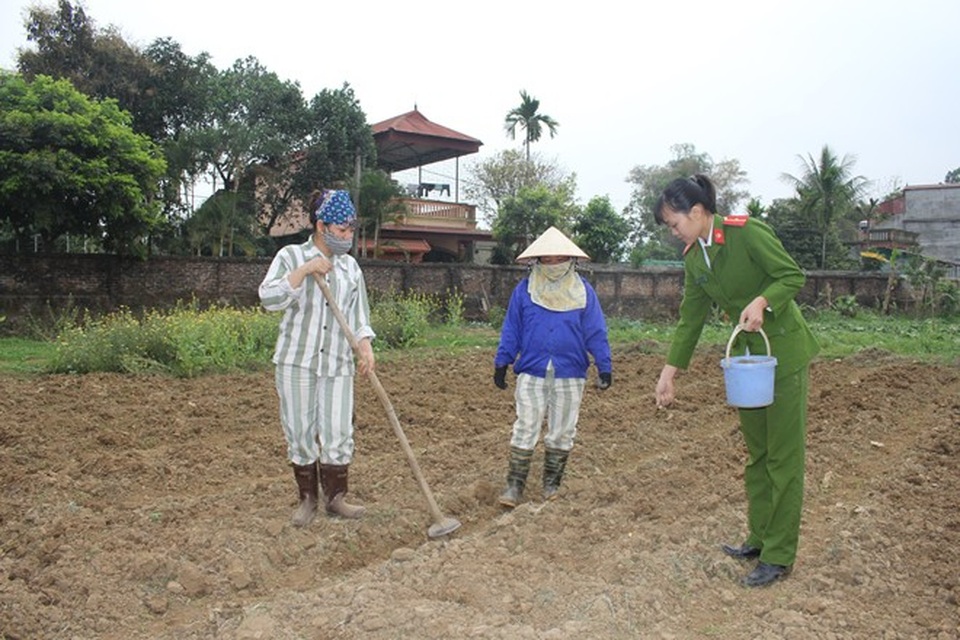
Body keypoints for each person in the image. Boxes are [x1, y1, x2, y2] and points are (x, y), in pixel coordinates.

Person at [652, 174, 820, 587]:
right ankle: (760, 538)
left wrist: (763, 301)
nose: (674, 234)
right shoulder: (695, 258)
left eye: (675, 224)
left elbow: (792, 276)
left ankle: (779, 556)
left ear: (696, 212)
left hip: (783, 354)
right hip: (747, 364)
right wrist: (668, 373)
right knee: (758, 455)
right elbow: (691, 318)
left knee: (783, 458)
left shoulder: (747, 234)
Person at [258, 188, 376, 527]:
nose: (347, 236)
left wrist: (364, 345)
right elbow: (269, 298)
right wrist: (305, 270)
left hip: (338, 361)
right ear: (321, 226)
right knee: (299, 430)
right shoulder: (291, 256)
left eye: (351, 230)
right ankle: (308, 498)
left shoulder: (351, 268)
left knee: (338, 430)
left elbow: (359, 315)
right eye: (342, 230)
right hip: (297, 360)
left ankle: (336, 497)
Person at [493, 226, 613, 508]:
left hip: (570, 371)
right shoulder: (525, 290)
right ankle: (514, 486)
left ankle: (551, 484)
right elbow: (512, 328)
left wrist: (604, 365)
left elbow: (596, 331)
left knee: (562, 429)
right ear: (537, 260)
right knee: (526, 425)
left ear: (570, 259)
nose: (553, 263)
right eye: (546, 258)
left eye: (558, 257)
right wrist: (502, 361)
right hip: (533, 369)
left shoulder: (583, 292)